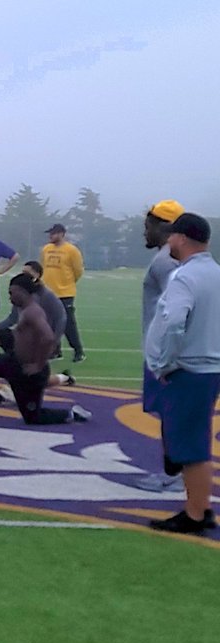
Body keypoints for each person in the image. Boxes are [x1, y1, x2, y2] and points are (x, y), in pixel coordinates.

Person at [143, 213, 220, 534]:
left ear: (182, 239)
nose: (169, 241)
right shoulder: (215, 273)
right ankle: (199, 507)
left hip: (188, 369)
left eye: (173, 236)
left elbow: (174, 321)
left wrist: (165, 362)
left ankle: (196, 514)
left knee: (190, 448)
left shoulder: (185, 277)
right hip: (208, 367)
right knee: (193, 443)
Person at [0, 274, 91, 424]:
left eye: (11, 293)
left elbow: (48, 337)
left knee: (33, 417)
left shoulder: (33, 311)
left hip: (27, 371)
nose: (10, 297)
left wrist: (38, 364)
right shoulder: (25, 310)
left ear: (21, 291)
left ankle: (71, 414)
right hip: (14, 362)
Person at [129, 199, 187, 492]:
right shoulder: (173, 257)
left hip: (166, 351)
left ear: (162, 227)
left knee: (172, 414)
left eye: (147, 226)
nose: (145, 232)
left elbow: (178, 306)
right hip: (168, 349)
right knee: (174, 413)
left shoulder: (166, 261)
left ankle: (172, 475)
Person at [41, 224, 86, 362]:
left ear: (61, 234)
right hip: (48, 292)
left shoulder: (71, 250)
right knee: (49, 323)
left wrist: (68, 283)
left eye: (53, 233)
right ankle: (55, 350)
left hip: (65, 292)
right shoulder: (46, 249)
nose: (50, 236)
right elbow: (43, 267)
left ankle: (78, 351)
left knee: (68, 324)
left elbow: (78, 270)